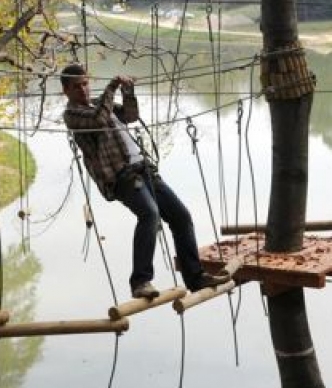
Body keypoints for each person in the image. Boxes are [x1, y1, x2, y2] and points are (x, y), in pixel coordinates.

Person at [61, 63, 231, 299]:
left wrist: (127, 92)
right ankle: (140, 281)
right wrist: (112, 87)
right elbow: (98, 120)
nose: (83, 90)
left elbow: (131, 116)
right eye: (76, 87)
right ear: (66, 91)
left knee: (181, 216)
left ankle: (196, 277)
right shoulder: (72, 115)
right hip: (121, 177)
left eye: (85, 84)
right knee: (149, 215)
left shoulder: (101, 104)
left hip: (143, 170)